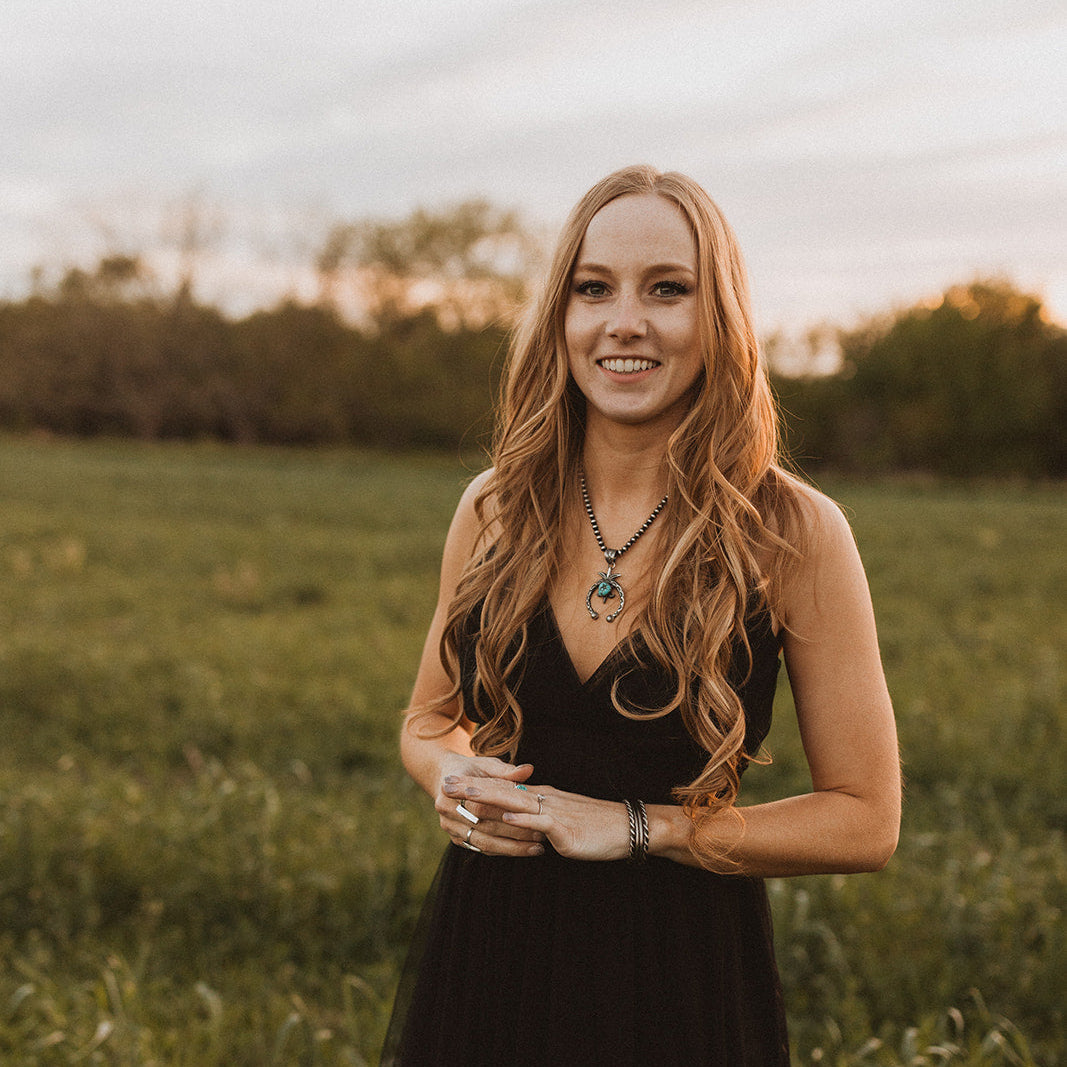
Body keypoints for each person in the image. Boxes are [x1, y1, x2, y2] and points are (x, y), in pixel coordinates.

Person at [382, 165, 900, 1066]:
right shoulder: (493, 509)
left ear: (719, 318)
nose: (625, 321)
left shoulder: (791, 531)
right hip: (490, 947)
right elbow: (429, 720)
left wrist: (638, 827)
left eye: (667, 289)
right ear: (561, 316)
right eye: (594, 289)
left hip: (678, 971)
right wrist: (453, 786)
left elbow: (865, 819)